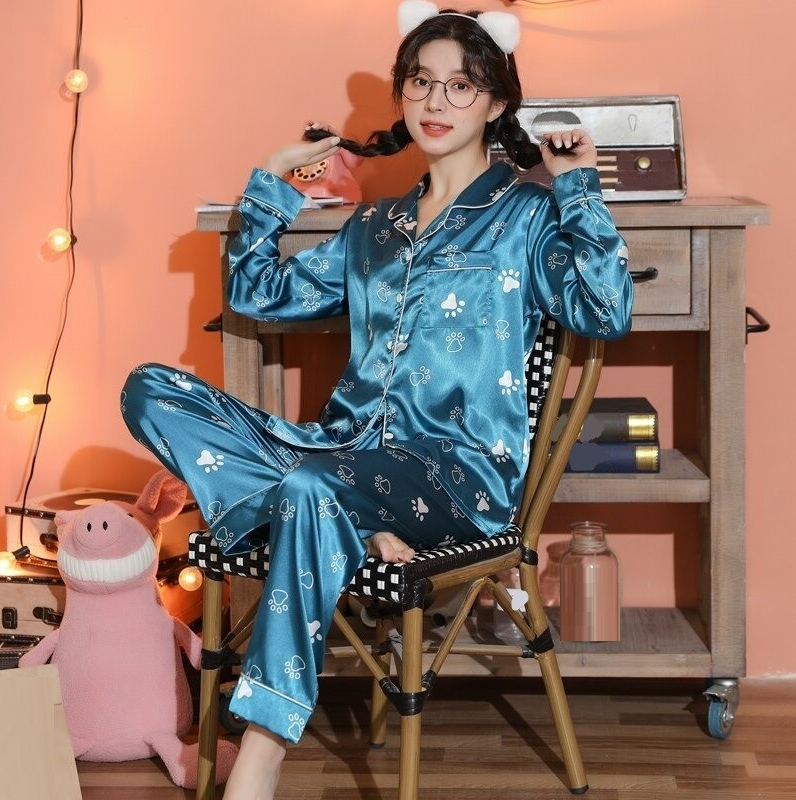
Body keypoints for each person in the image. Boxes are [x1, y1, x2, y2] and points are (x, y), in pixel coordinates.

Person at [120, 2, 633, 797]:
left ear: (497, 102)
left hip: (456, 479)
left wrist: (578, 187)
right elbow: (257, 291)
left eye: (461, 85)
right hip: (343, 455)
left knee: (307, 487)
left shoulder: (526, 215)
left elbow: (605, 311)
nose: (435, 101)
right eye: (420, 82)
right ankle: (352, 527)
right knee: (150, 389)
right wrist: (275, 180)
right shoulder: (376, 227)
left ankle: (262, 752)